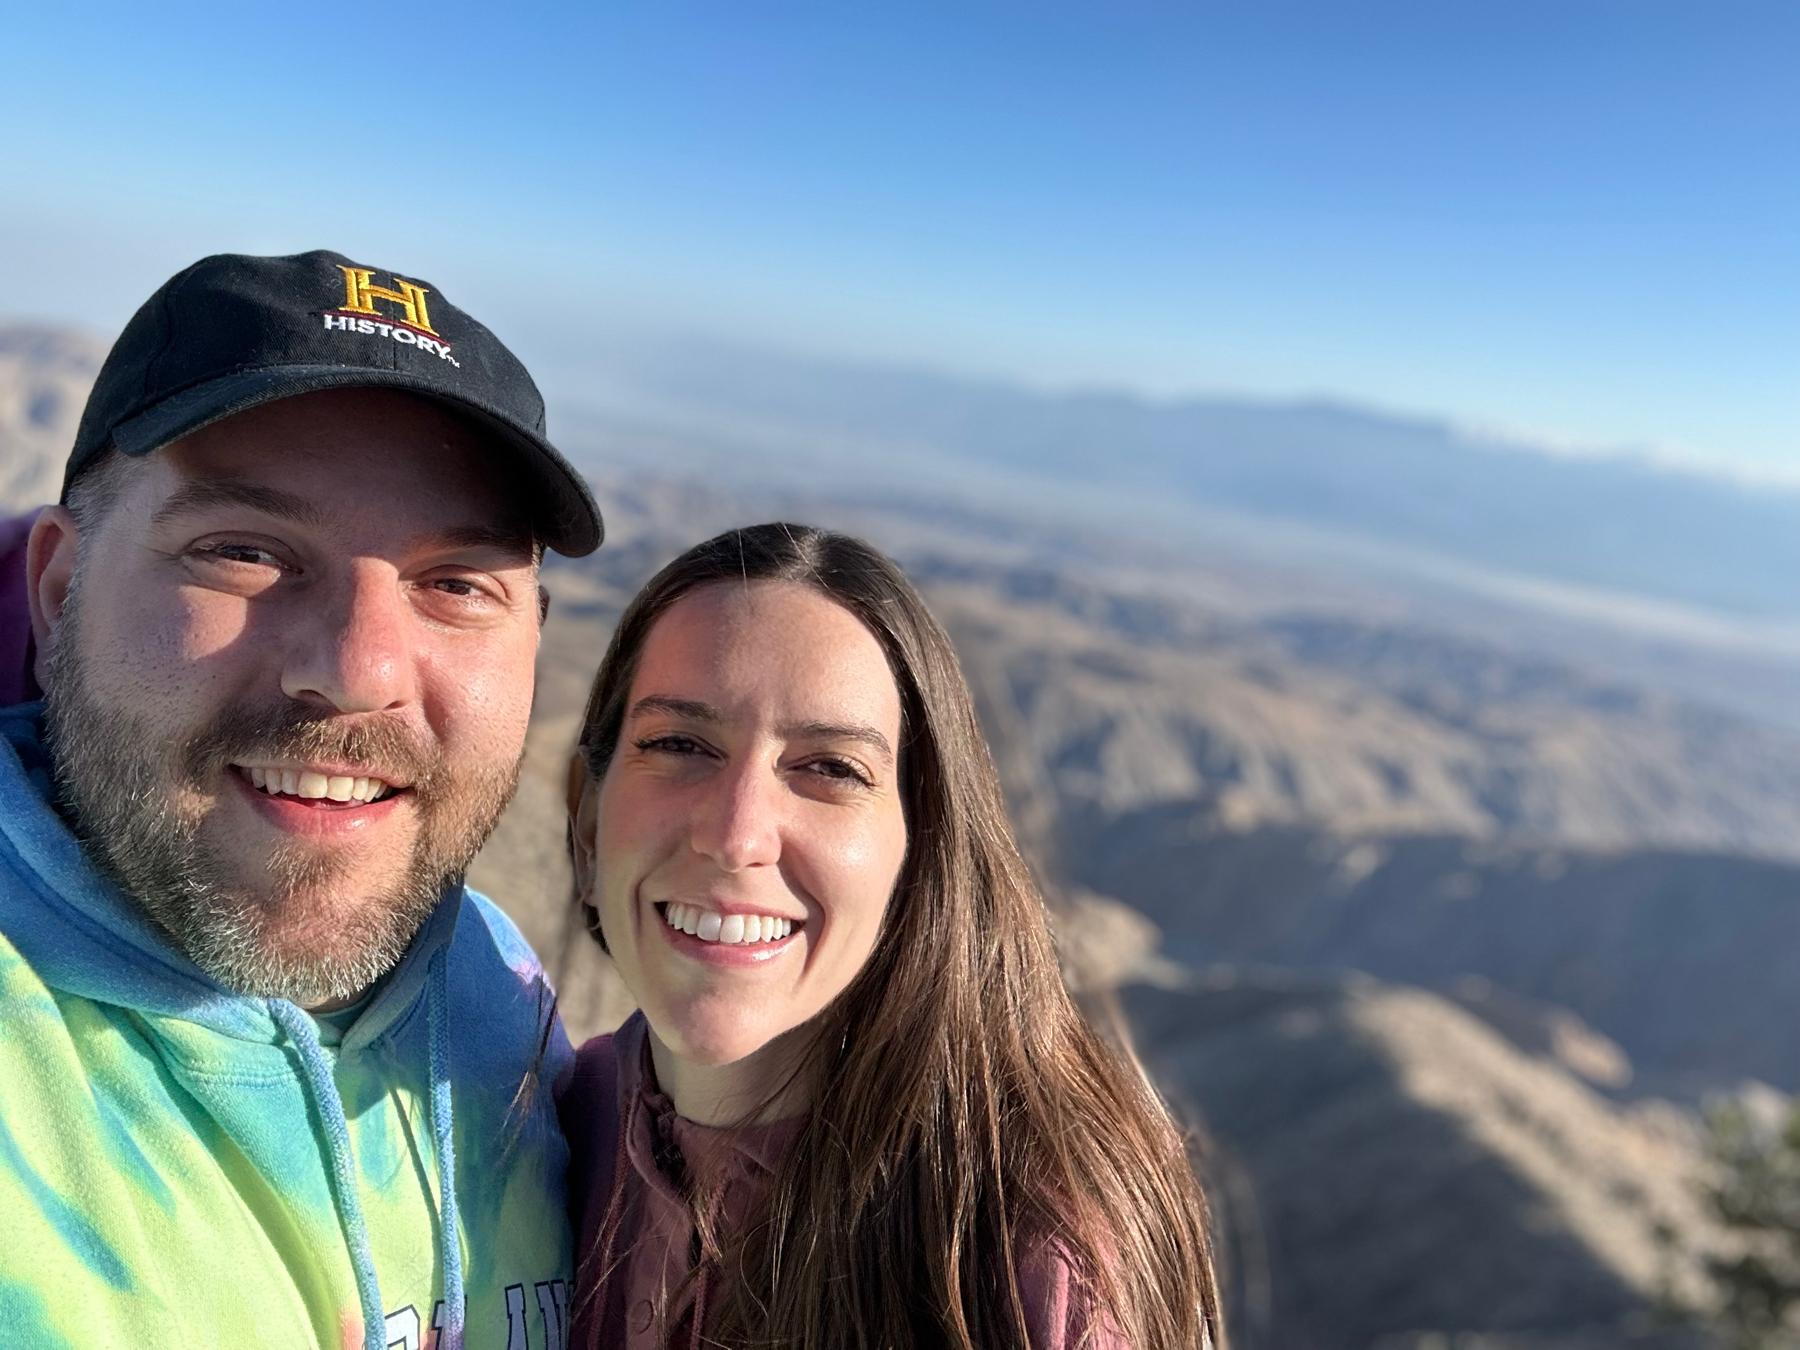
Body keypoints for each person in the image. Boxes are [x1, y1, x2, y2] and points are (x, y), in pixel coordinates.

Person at [0, 249, 604, 1350]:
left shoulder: (498, 993)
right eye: (243, 551)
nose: (359, 668)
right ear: (57, 594)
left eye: (457, 584)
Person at [558, 523, 1224, 1350]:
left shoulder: (1021, 1264)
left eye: (831, 768)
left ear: (922, 855)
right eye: (680, 745)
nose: (736, 834)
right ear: (586, 822)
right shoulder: (524, 1146)